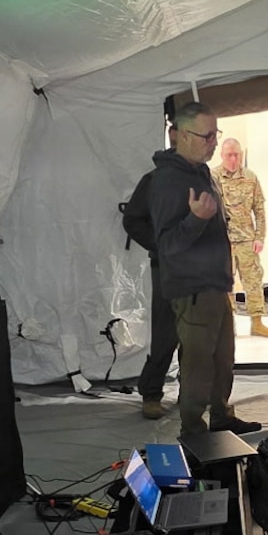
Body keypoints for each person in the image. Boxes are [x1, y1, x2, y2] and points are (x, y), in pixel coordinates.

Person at [149, 102, 260, 436]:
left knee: (222, 360)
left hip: (213, 286)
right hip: (193, 291)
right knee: (198, 367)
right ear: (182, 136)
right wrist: (196, 220)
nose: (214, 142)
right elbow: (167, 245)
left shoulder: (199, 172)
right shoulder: (168, 180)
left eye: (216, 133)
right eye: (207, 135)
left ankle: (222, 417)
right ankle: (194, 433)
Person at [122, 121, 180, 420]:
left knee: (199, 341)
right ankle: (152, 392)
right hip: (168, 270)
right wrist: (161, 245)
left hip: (204, 275)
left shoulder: (204, 178)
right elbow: (132, 220)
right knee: (166, 334)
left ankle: (194, 394)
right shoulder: (154, 181)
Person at [212, 137, 268, 339]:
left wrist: (260, 237)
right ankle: (227, 325)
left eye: (236, 155)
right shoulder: (212, 177)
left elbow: (259, 210)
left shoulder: (250, 178)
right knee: (224, 284)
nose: (233, 159)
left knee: (254, 280)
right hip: (222, 241)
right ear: (222, 156)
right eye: (229, 155)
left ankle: (257, 322)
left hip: (247, 240)